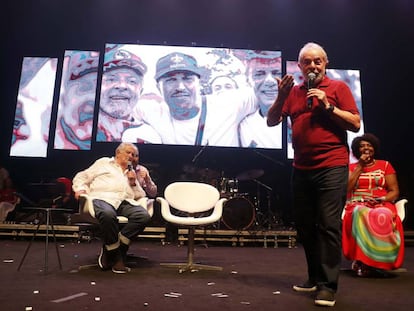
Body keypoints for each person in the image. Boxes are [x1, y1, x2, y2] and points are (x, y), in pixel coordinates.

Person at [267, 42, 361, 307]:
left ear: (325, 63)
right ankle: (314, 278)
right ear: (299, 66)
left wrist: (327, 105)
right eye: (307, 62)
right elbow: (272, 121)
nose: (312, 66)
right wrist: (281, 96)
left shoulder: (338, 88)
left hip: (332, 167)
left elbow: (355, 123)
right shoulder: (294, 92)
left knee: (328, 225)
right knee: (306, 226)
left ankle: (328, 286)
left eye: (317, 61)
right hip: (302, 168)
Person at [133, 52, 256, 147]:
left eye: (187, 79)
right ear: (158, 87)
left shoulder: (229, 104)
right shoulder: (150, 110)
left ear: (200, 83)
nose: (180, 87)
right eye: (171, 80)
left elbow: (268, 91)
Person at [72, 142, 151, 273]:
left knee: (143, 216)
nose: (131, 156)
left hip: (123, 201)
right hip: (102, 198)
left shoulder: (132, 172)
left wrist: (133, 182)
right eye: (128, 153)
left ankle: (113, 247)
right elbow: (82, 177)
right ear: (118, 153)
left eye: (134, 155)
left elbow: (140, 195)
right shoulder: (103, 163)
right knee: (108, 214)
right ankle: (117, 257)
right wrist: (80, 189)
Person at [342, 133, 404, 276]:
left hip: (381, 202)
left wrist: (382, 199)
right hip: (357, 203)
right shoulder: (350, 167)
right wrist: (360, 166)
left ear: (374, 148)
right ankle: (363, 261)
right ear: (357, 150)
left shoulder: (385, 165)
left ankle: (381, 262)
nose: (366, 148)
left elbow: (394, 191)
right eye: (362, 146)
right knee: (361, 213)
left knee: (383, 214)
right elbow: (346, 189)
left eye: (369, 145)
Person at [96, 46, 162, 143]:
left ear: (141, 91)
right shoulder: (79, 128)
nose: (122, 86)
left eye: (132, 81)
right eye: (111, 79)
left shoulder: (149, 136)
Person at [239, 51, 283, 148]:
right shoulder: (245, 126)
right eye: (259, 74)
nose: (270, 81)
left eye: (277, 73)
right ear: (248, 80)